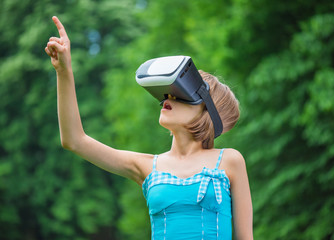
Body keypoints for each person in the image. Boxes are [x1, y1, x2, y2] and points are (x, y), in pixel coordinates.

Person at [45, 16, 253, 240]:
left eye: (181, 94)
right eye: (168, 92)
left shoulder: (230, 161)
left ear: (208, 111)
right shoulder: (147, 167)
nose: (168, 97)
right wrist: (64, 71)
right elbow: (74, 140)